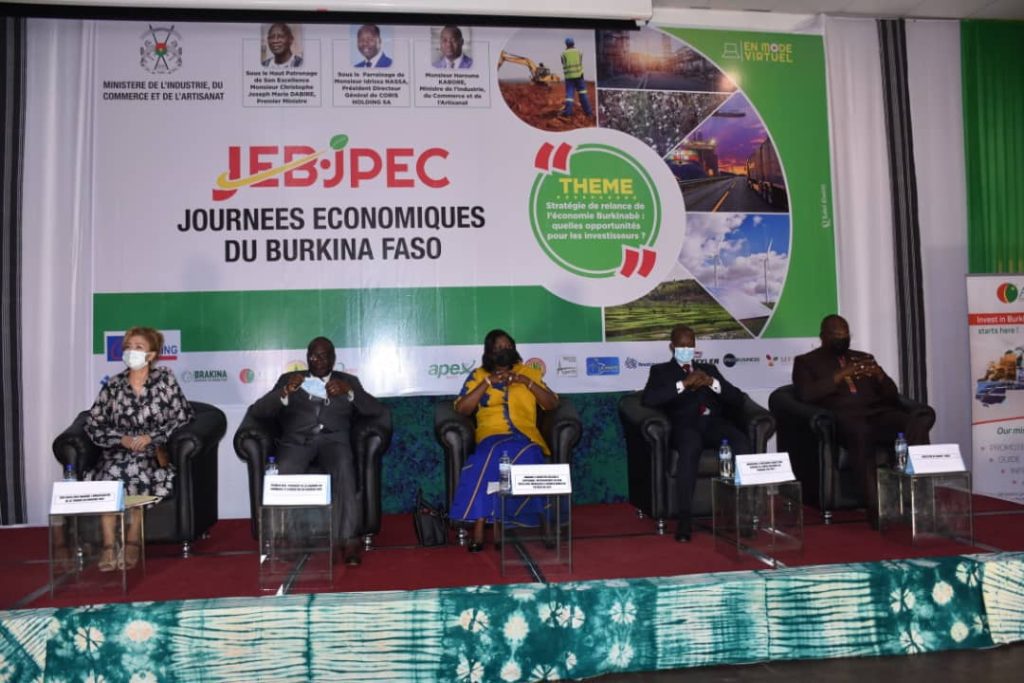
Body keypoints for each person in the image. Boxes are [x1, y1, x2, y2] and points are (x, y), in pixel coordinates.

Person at [251, 336, 384, 565]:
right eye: (313, 356)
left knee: (344, 466)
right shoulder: (290, 379)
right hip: (297, 442)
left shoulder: (349, 381)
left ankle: (349, 540)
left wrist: (350, 392)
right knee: (284, 469)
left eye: (323, 355)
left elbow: (376, 410)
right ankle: (290, 540)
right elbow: (258, 411)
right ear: (307, 358)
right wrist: (285, 392)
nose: (318, 360)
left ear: (333, 358)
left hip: (334, 442)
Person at [792, 314, 931, 527]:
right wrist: (841, 375)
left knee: (914, 422)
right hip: (845, 419)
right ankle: (876, 508)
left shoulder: (864, 357)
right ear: (823, 336)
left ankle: (920, 498)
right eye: (836, 335)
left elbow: (892, 396)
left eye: (845, 334)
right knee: (860, 431)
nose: (842, 339)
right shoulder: (806, 362)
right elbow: (806, 394)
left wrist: (880, 376)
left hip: (877, 414)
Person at [84, 327, 193, 571]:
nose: (131, 351)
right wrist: (120, 438)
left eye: (138, 347)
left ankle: (133, 540)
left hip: (151, 451)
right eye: (128, 347)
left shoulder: (164, 381)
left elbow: (182, 416)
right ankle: (109, 545)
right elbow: (93, 423)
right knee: (112, 473)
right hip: (118, 450)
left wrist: (151, 436)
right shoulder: (113, 385)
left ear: (151, 355)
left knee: (137, 468)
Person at [450, 329, 559, 552]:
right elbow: (462, 408)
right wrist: (487, 383)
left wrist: (525, 382)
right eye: (499, 348)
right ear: (489, 352)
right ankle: (485, 522)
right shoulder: (478, 375)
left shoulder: (528, 373)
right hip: (491, 436)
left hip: (525, 437)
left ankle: (487, 524)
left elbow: (551, 404)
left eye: (508, 346)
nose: (504, 350)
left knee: (517, 455)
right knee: (489, 456)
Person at [642, 324, 750, 543]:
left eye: (690, 345)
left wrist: (712, 382)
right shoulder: (661, 371)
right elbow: (649, 399)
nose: (686, 349)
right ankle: (684, 519)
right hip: (685, 426)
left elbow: (737, 398)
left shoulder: (709, 369)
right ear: (672, 346)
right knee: (690, 446)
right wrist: (683, 384)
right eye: (681, 345)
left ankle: (742, 514)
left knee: (740, 441)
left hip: (713, 424)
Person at [560, 37, 593, 118]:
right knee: (583, 94)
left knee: (569, 96)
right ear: (573, 43)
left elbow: (563, 63)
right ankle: (589, 113)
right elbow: (580, 62)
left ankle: (568, 113)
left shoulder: (563, 54)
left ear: (566, 44)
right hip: (579, 76)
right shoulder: (579, 52)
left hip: (569, 78)